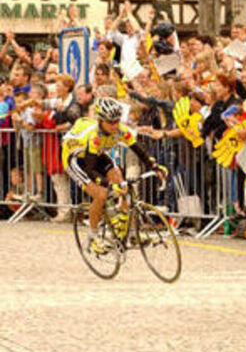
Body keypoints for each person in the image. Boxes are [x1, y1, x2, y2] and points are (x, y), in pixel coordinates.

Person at [61, 97, 167, 253]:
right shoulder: (94, 137)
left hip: (96, 154)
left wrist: (154, 166)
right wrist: (105, 183)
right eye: (110, 122)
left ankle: (130, 233)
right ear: (101, 121)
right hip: (76, 159)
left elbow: (139, 149)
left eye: (117, 121)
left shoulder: (121, 130)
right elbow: (91, 170)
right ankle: (93, 237)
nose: (115, 125)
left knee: (122, 183)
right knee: (101, 194)